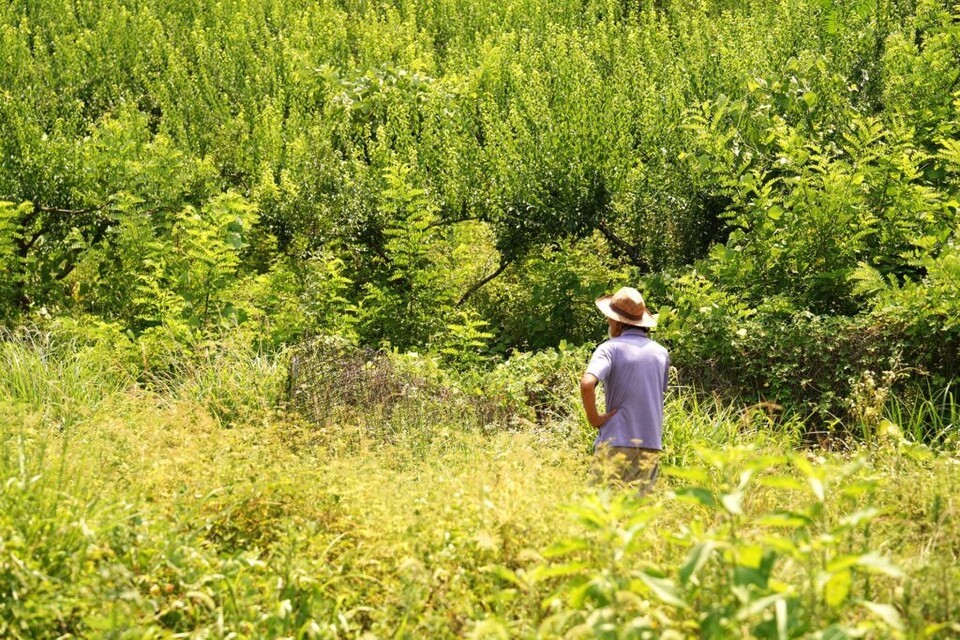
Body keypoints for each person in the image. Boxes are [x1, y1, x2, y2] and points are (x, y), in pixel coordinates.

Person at [580, 286, 670, 495]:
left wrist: (594, 419)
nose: (608, 322)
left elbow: (587, 384)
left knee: (601, 514)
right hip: (650, 445)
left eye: (610, 318)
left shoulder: (609, 348)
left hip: (616, 442)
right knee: (638, 517)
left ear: (619, 322)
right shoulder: (661, 353)